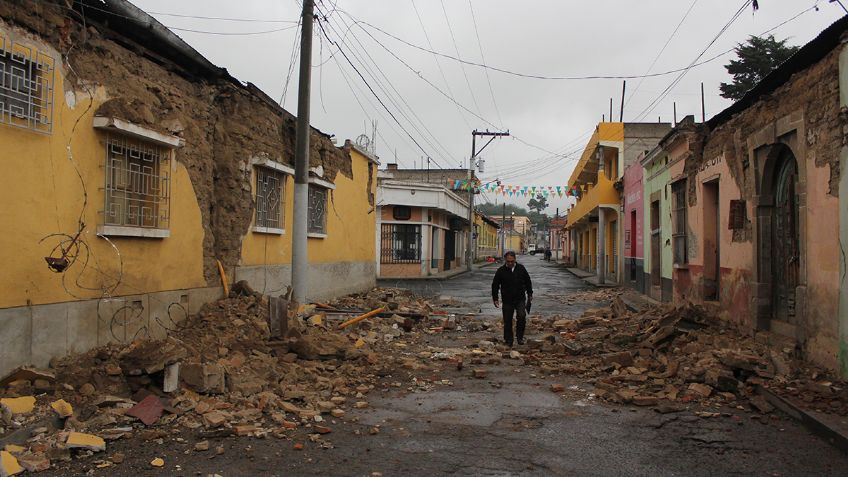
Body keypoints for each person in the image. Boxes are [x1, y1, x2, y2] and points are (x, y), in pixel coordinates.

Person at [491, 251, 533, 347]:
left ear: (515, 260)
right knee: (507, 320)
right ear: (505, 260)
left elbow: (528, 281)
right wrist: (495, 298)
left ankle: (520, 337)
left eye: (512, 261)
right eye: (508, 261)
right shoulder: (501, 271)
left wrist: (530, 293)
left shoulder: (521, 269)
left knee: (522, 316)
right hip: (507, 300)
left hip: (520, 298)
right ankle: (508, 340)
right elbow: (495, 285)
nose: (510, 263)